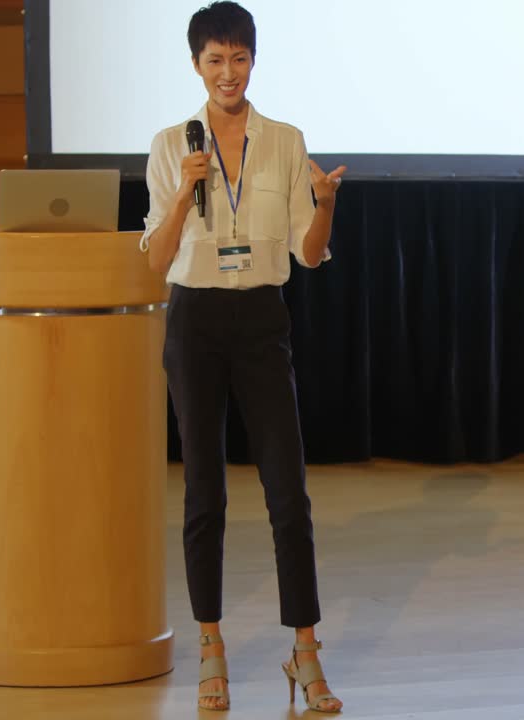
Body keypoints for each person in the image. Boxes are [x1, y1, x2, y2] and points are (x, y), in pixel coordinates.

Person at [139, 1, 346, 713]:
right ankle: (211, 647)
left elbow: (309, 254)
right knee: (205, 492)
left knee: (288, 492)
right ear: (197, 65)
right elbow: (156, 260)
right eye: (215, 60)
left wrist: (325, 205)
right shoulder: (170, 145)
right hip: (194, 320)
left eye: (239, 58)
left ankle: (305, 651)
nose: (228, 72)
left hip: (261, 319)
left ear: (253, 61)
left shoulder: (285, 141)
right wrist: (183, 192)